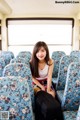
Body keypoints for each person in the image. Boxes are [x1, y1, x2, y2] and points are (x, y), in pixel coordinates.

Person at [30, 41, 64, 120]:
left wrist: (48, 89)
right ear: (35, 53)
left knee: (51, 95)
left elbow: (49, 76)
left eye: (42, 50)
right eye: (38, 51)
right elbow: (32, 78)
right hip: (36, 83)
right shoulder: (31, 62)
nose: (40, 53)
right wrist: (41, 86)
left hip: (47, 82)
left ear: (46, 51)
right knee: (41, 95)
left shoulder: (50, 61)